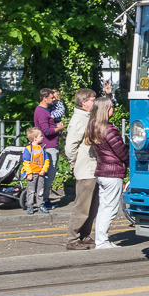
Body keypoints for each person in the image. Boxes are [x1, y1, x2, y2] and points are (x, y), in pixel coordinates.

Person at [85, 94, 128, 250]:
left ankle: (100, 239)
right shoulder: (109, 129)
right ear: (106, 110)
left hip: (102, 171)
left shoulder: (93, 126)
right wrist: (131, 163)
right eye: (111, 107)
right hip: (113, 172)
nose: (113, 109)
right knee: (110, 208)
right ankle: (102, 242)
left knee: (103, 207)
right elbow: (121, 151)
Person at [64, 87, 99, 250]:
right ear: (84, 102)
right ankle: (73, 238)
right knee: (82, 206)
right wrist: (74, 162)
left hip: (92, 168)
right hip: (86, 168)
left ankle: (84, 235)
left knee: (92, 206)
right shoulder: (79, 120)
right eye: (92, 99)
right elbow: (70, 147)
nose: (94, 101)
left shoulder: (87, 117)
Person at [33, 88, 63, 209]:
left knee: (49, 175)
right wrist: (59, 129)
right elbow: (46, 131)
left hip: (50, 145)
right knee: (48, 175)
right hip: (48, 146)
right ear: (45, 99)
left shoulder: (46, 110)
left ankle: (44, 199)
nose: (54, 99)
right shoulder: (41, 112)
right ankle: (43, 201)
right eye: (52, 97)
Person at [20, 127, 51, 214]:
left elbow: (46, 160)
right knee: (31, 190)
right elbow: (26, 162)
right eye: (40, 136)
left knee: (40, 190)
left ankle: (40, 205)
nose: (42, 137)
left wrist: (44, 170)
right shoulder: (28, 149)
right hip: (32, 173)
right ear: (35, 138)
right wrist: (29, 173)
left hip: (41, 173)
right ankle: (29, 205)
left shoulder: (42, 148)